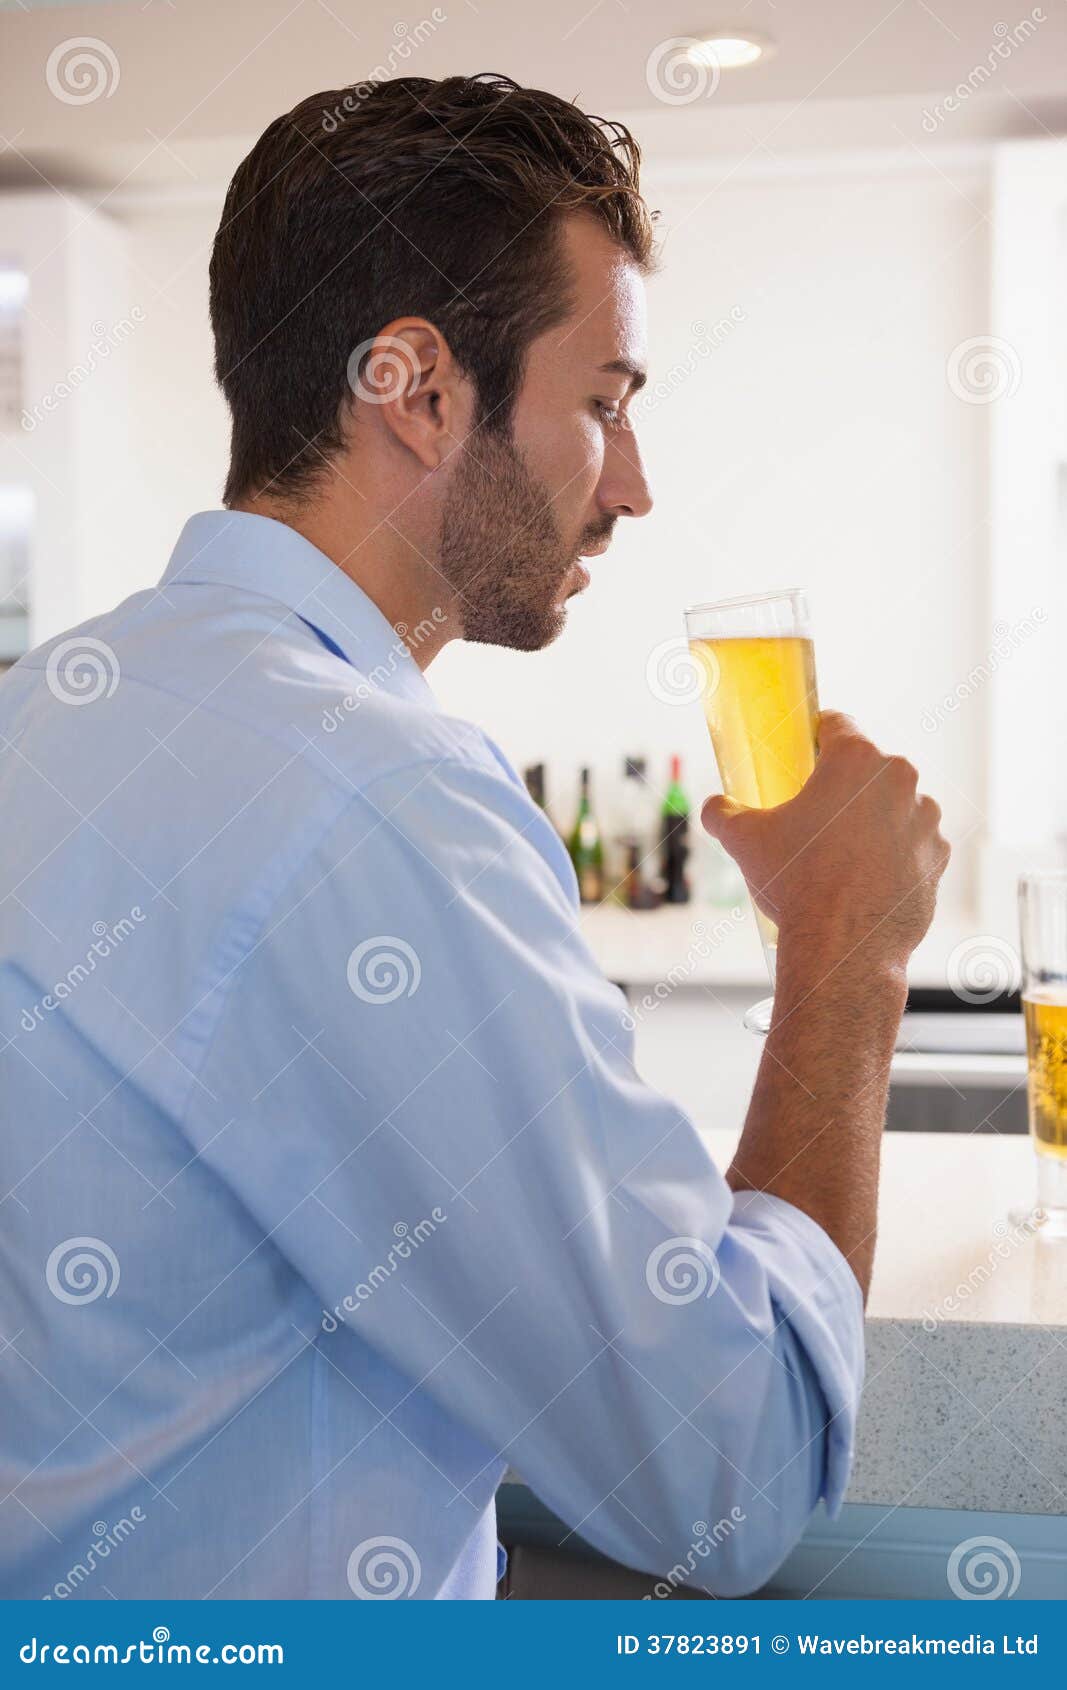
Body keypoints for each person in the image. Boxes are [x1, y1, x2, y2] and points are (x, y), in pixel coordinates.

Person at [0, 73, 948, 1601]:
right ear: (421, 390)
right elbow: (727, 1473)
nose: (629, 488)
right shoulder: (380, 794)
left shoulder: (44, 712)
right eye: (604, 403)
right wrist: (848, 948)